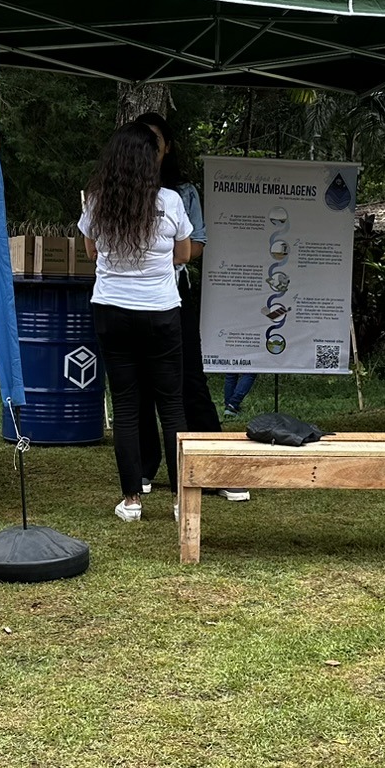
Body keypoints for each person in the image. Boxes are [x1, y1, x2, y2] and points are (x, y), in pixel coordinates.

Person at [132, 112, 249, 501]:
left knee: (189, 382)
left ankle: (213, 466)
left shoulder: (181, 193)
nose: (149, 149)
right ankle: (143, 469)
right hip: (128, 303)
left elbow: (192, 247)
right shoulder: (119, 188)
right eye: (141, 140)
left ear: (167, 147)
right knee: (137, 386)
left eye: (156, 141)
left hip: (172, 299)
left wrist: (151, 256)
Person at [79, 123, 193, 522]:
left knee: (126, 406)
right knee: (172, 406)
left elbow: (91, 251)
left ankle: (131, 500)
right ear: (151, 161)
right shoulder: (171, 202)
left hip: (111, 311)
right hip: (161, 311)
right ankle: (182, 500)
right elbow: (184, 254)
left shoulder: (96, 202)